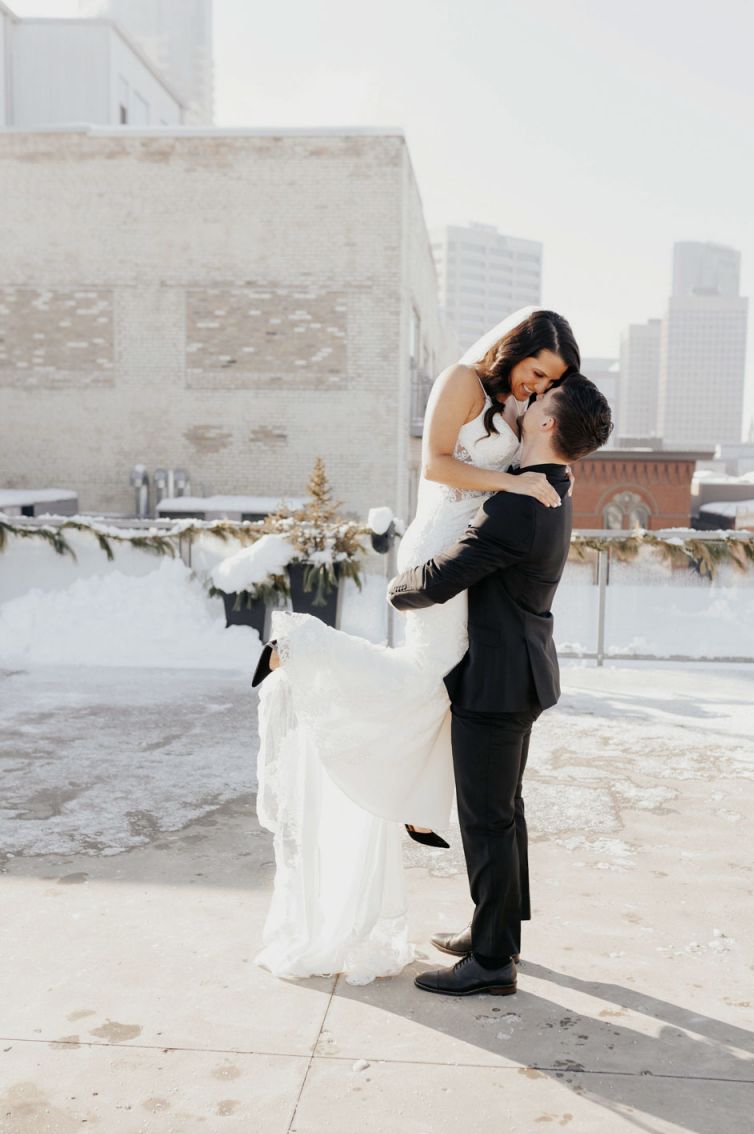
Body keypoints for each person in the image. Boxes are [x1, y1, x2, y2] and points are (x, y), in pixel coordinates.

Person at [254, 309, 579, 985]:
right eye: (536, 370)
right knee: (422, 676)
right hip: (445, 548)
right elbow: (434, 464)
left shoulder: (513, 408)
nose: (535, 386)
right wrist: (513, 482)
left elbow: (546, 449)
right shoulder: (462, 379)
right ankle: (301, 646)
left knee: (440, 696)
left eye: (549, 382)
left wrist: (526, 473)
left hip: (477, 553)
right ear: (516, 348)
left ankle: (488, 924)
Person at [388, 375, 614, 997]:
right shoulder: (554, 490)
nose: (526, 402)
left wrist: (396, 587)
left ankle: (491, 962)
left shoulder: (520, 503)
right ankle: (499, 931)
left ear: (547, 424)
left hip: (496, 682)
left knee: (486, 818)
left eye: (538, 400)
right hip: (522, 672)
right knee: (503, 813)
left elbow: (445, 576)